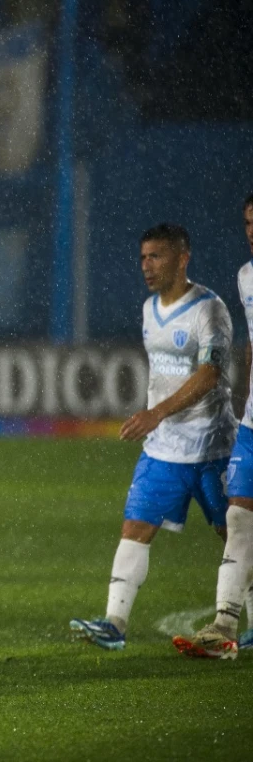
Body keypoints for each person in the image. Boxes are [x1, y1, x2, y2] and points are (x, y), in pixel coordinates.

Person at [71, 224, 235, 651]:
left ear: (183, 258)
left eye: (156, 256)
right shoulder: (148, 309)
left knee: (233, 535)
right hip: (163, 449)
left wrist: (156, 412)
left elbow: (210, 373)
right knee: (135, 527)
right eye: (143, 257)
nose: (146, 266)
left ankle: (237, 625)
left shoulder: (208, 310)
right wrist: (158, 419)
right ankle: (114, 624)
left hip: (211, 445)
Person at [172, 195, 253, 658]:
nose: (250, 230)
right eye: (246, 222)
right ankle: (224, 625)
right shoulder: (245, 278)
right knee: (239, 516)